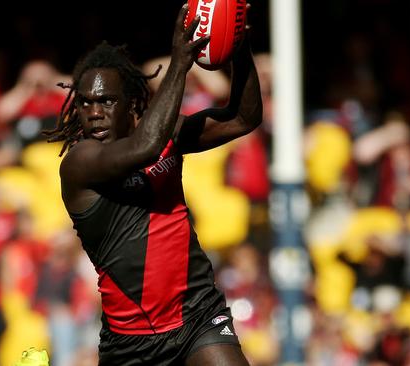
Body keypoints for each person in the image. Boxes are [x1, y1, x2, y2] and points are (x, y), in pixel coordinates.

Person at [43, 4, 261, 365]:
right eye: (85, 103)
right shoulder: (80, 163)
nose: (94, 113)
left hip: (198, 314)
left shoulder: (165, 133)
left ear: (132, 104)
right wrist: (180, 62)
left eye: (107, 101)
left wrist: (238, 50)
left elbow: (243, 118)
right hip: (132, 340)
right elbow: (146, 147)